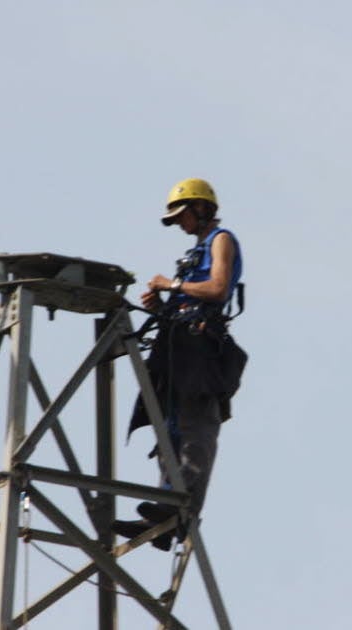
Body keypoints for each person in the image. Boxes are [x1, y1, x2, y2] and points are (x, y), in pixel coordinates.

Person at [112, 178, 246, 550]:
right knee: (169, 430)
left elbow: (218, 288)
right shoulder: (193, 254)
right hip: (179, 346)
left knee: (194, 429)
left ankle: (181, 508)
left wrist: (172, 286)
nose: (180, 224)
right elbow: (189, 294)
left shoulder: (221, 239)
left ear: (201, 208)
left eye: (182, 214)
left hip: (203, 348)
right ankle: (163, 508)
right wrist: (164, 305)